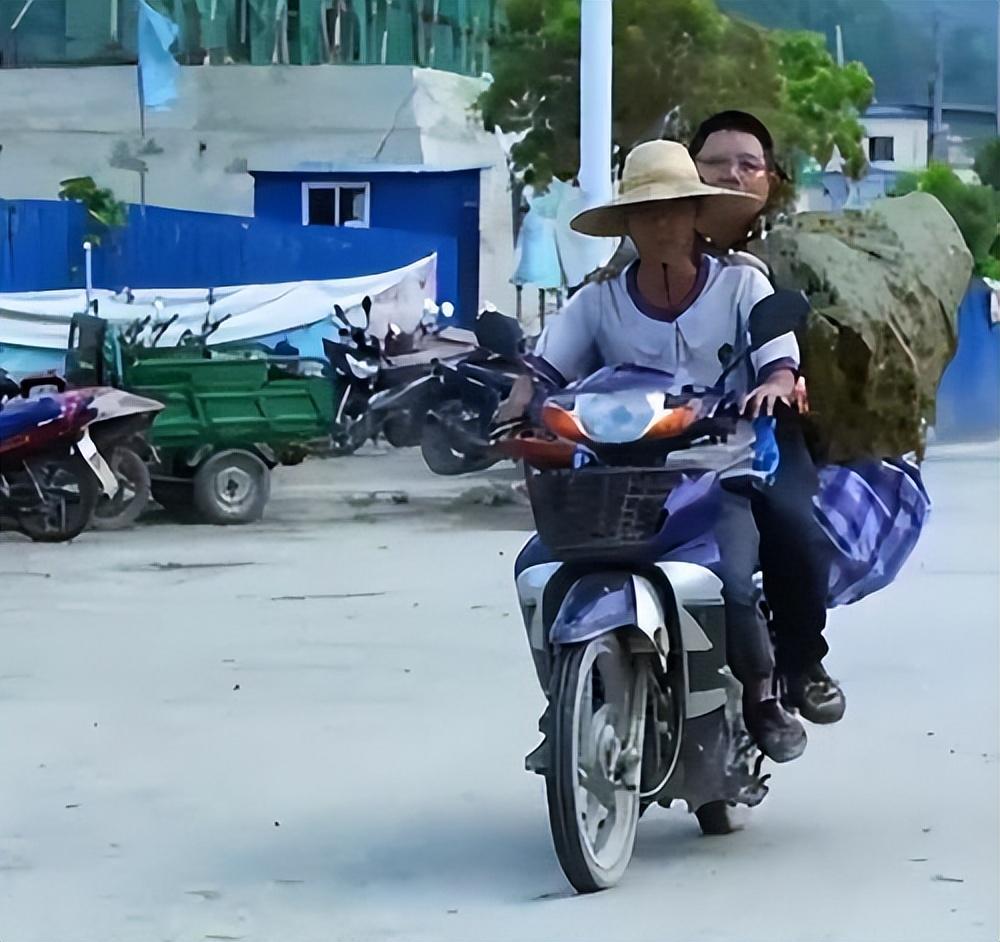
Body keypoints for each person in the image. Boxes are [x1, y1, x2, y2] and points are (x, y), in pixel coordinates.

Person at [526, 139, 807, 762]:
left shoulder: (740, 284)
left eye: (674, 209)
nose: (661, 223)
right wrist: (517, 398)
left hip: (718, 472)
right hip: (614, 482)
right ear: (627, 224)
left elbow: (779, 356)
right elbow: (545, 369)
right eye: (646, 212)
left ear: (695, 215)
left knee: (730, 584)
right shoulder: (597, 300)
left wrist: (773, 382)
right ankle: (562, 703)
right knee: (537, 570)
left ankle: (762, 695)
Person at [589, 111, 845, 725]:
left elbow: (791, 347)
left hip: (752, 432)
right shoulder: (608, 283)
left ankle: (799, 661)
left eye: (747, 165)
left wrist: (782, 378)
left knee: (792, 527)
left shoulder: (779, 262)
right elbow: (563, 360)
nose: (733, 174)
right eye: (716, 163)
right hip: (645, 442)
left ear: (770, 179)